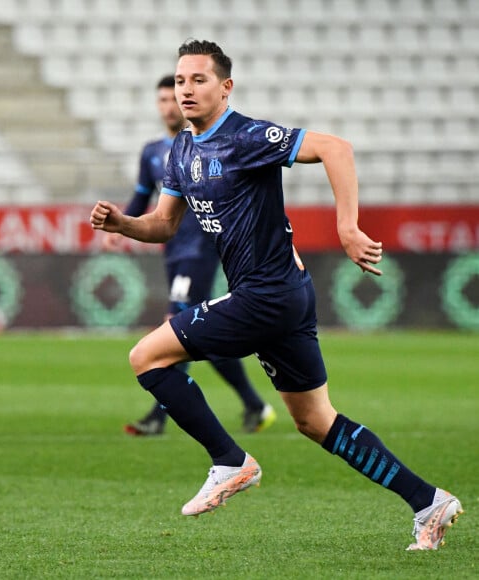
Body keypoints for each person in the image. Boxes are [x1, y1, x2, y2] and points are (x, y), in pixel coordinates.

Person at [91, 40, 463, 550]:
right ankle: (429, 501)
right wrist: (124, 224)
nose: (186, 90)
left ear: (225, 88)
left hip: (267, 295)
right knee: (316, 421)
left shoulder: (245, 135)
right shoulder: (182, 149)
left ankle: (229, 460)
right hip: (281, 295)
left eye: (199, 80)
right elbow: (162, 225)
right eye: (180, 81)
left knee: (146, 357)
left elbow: (336, 148)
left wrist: (348, 228)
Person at [103, 74, 276, 435]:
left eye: (173, 98)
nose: (170, 105)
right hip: (173, 251)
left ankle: (159, 415)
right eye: (163, 100)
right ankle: (255, 405)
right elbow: (141, 198)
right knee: (196, 331)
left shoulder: (203, 146)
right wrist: (120, 226)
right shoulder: (154, 152)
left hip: (201, 249)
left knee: (177, 323)